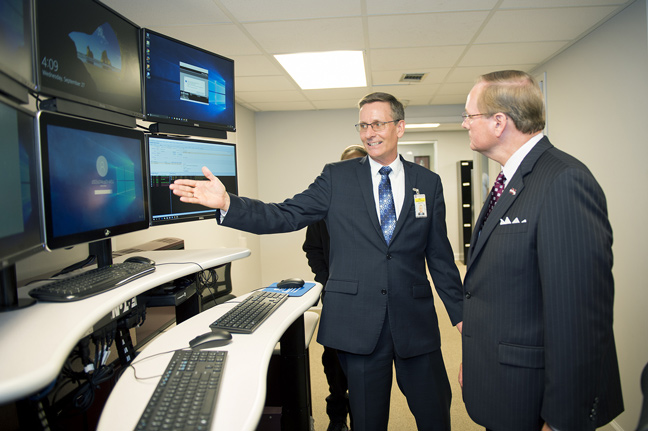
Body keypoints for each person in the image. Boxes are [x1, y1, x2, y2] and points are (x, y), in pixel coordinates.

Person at [169, 92, 464, 431]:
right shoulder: (336, 178)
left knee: (435, 415)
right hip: (358, 322)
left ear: (400, 126)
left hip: (415, 321)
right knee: (368, 421)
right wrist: (227, 204)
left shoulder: (427, 182)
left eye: (378, 124)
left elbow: (440, 256)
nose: (369, 132)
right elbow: (284, 214)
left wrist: (461, 316)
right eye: (363, 125)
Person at [459, 70, 624, 431]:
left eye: (469, 115)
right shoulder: (509, 180)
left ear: (499, 121)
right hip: (500, 377)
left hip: (533, 396)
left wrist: (563, 420)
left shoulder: (563, 181)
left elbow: (580, 317)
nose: (464, 124)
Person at [302, 144, 367, 431]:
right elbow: (312, 248)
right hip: (337, 297)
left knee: (366, 365)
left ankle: (363, 417)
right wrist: (327, 280)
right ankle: (337, 417)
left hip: (371, 299)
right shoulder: (323, 205)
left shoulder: (381, 204)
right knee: (334, 362)